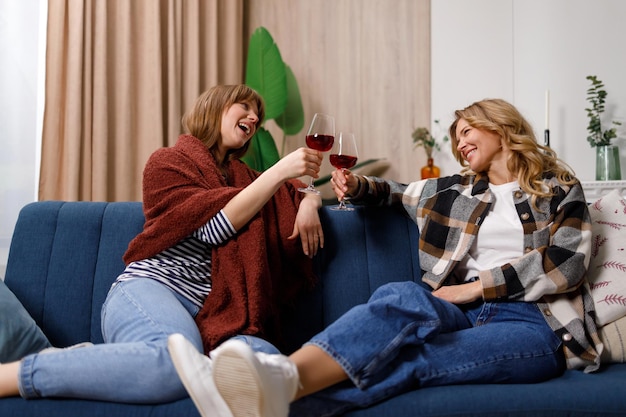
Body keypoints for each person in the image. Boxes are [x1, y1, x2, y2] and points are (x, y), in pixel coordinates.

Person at [167, 98, 603, 417]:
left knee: (413, 361)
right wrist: (355, 187)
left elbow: (565, 263)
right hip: (456, 309)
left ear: (501, 126)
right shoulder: (455, 190)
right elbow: (394, 192)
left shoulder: (559, 188)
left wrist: (472, 288)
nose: (460, 142)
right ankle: (280, 376)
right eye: (457, 137)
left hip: (530, 323)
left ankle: (255, 401)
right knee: (400, 295)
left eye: (468, 130)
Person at [0, 84, 324, 404]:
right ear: (214, 108)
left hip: (218, 312)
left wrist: (309, 199)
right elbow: (214, 228)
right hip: (152, 288)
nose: (254, 118)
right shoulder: (167, 163)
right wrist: (280, 172)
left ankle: (110, 361)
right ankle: (17, 375)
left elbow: (292, 191)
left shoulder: (248, 180)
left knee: (268, 366)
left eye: (258, 115)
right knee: (168, 363)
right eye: (245, 107)